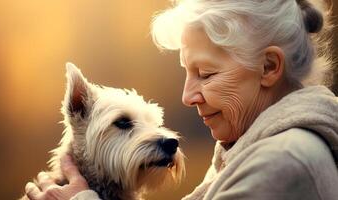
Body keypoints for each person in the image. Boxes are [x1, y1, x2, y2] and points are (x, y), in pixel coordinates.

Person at [25, 0, 338, 199]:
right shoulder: (242, 154)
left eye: (205, 73)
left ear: (268, 67)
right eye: (187, 73)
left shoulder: (282, 163)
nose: (187, 96)